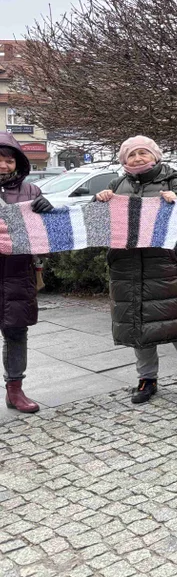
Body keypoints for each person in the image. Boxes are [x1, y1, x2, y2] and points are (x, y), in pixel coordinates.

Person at [95, 136, 177, 405]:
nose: (137, 159)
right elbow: (100, 219)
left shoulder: (172, 178)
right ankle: (147, 379)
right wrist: (100, 199)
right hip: (126, 266)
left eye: (142, 153)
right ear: (124, 160)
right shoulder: (117, 184)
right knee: (138, 326)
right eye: (131, 155)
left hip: (165, 264)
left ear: (155, 156)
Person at [0, 134, 54, 413]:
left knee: (16, 333)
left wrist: (47, 212)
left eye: (9, 160)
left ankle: (15, 390)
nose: (3, 165)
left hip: (18, 273)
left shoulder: (31, 192)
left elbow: (49, 235)